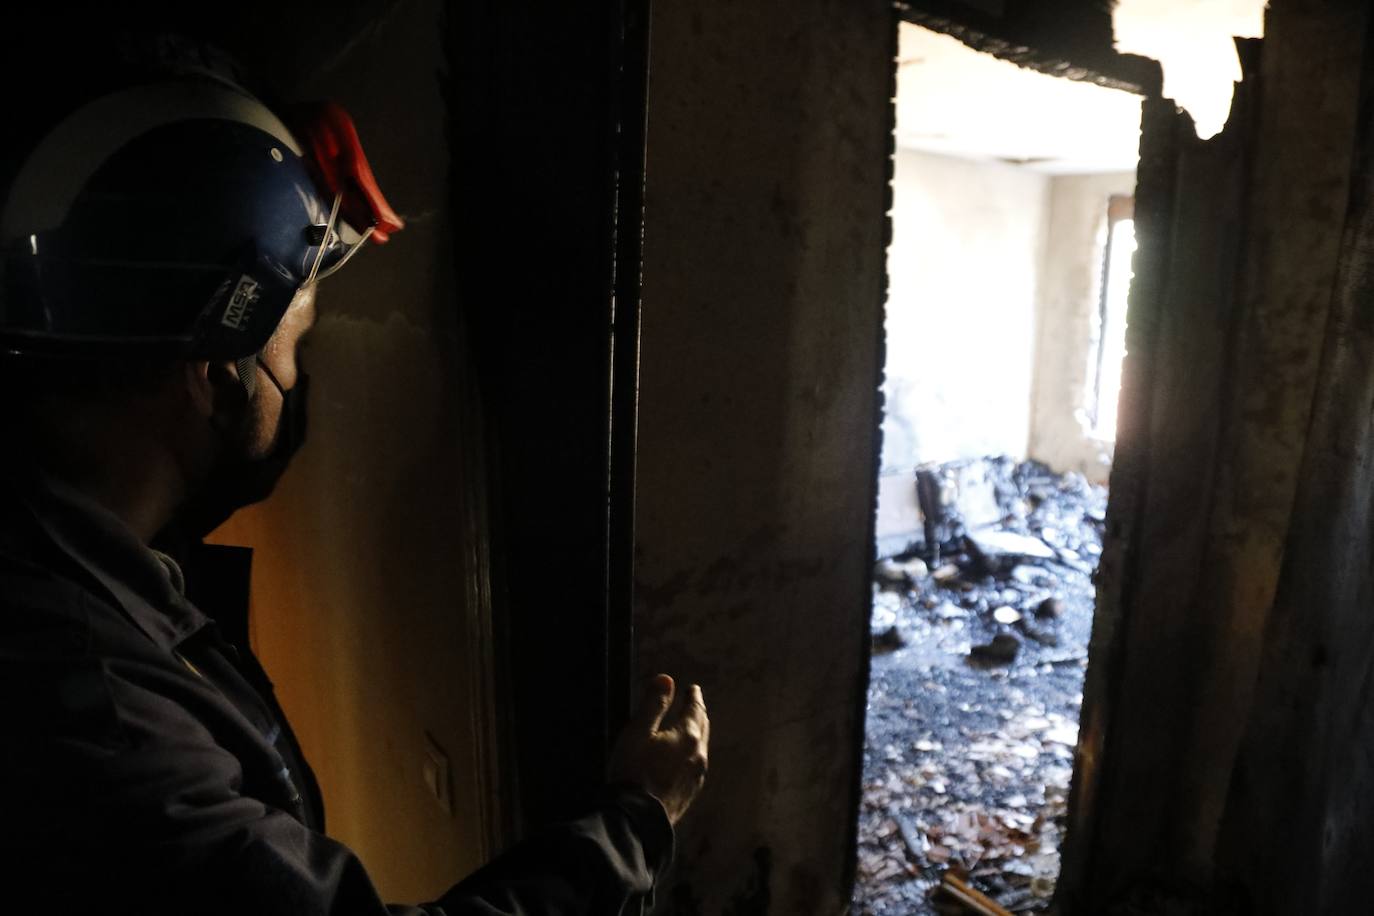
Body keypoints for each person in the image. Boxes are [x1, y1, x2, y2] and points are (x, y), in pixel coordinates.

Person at [0, 34, 709, 914]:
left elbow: (223, 454)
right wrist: (643, 819)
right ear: (219, 367)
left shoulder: (67, 523)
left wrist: (259, 173)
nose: (297, 380)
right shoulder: (96, 724)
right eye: (296, 344)